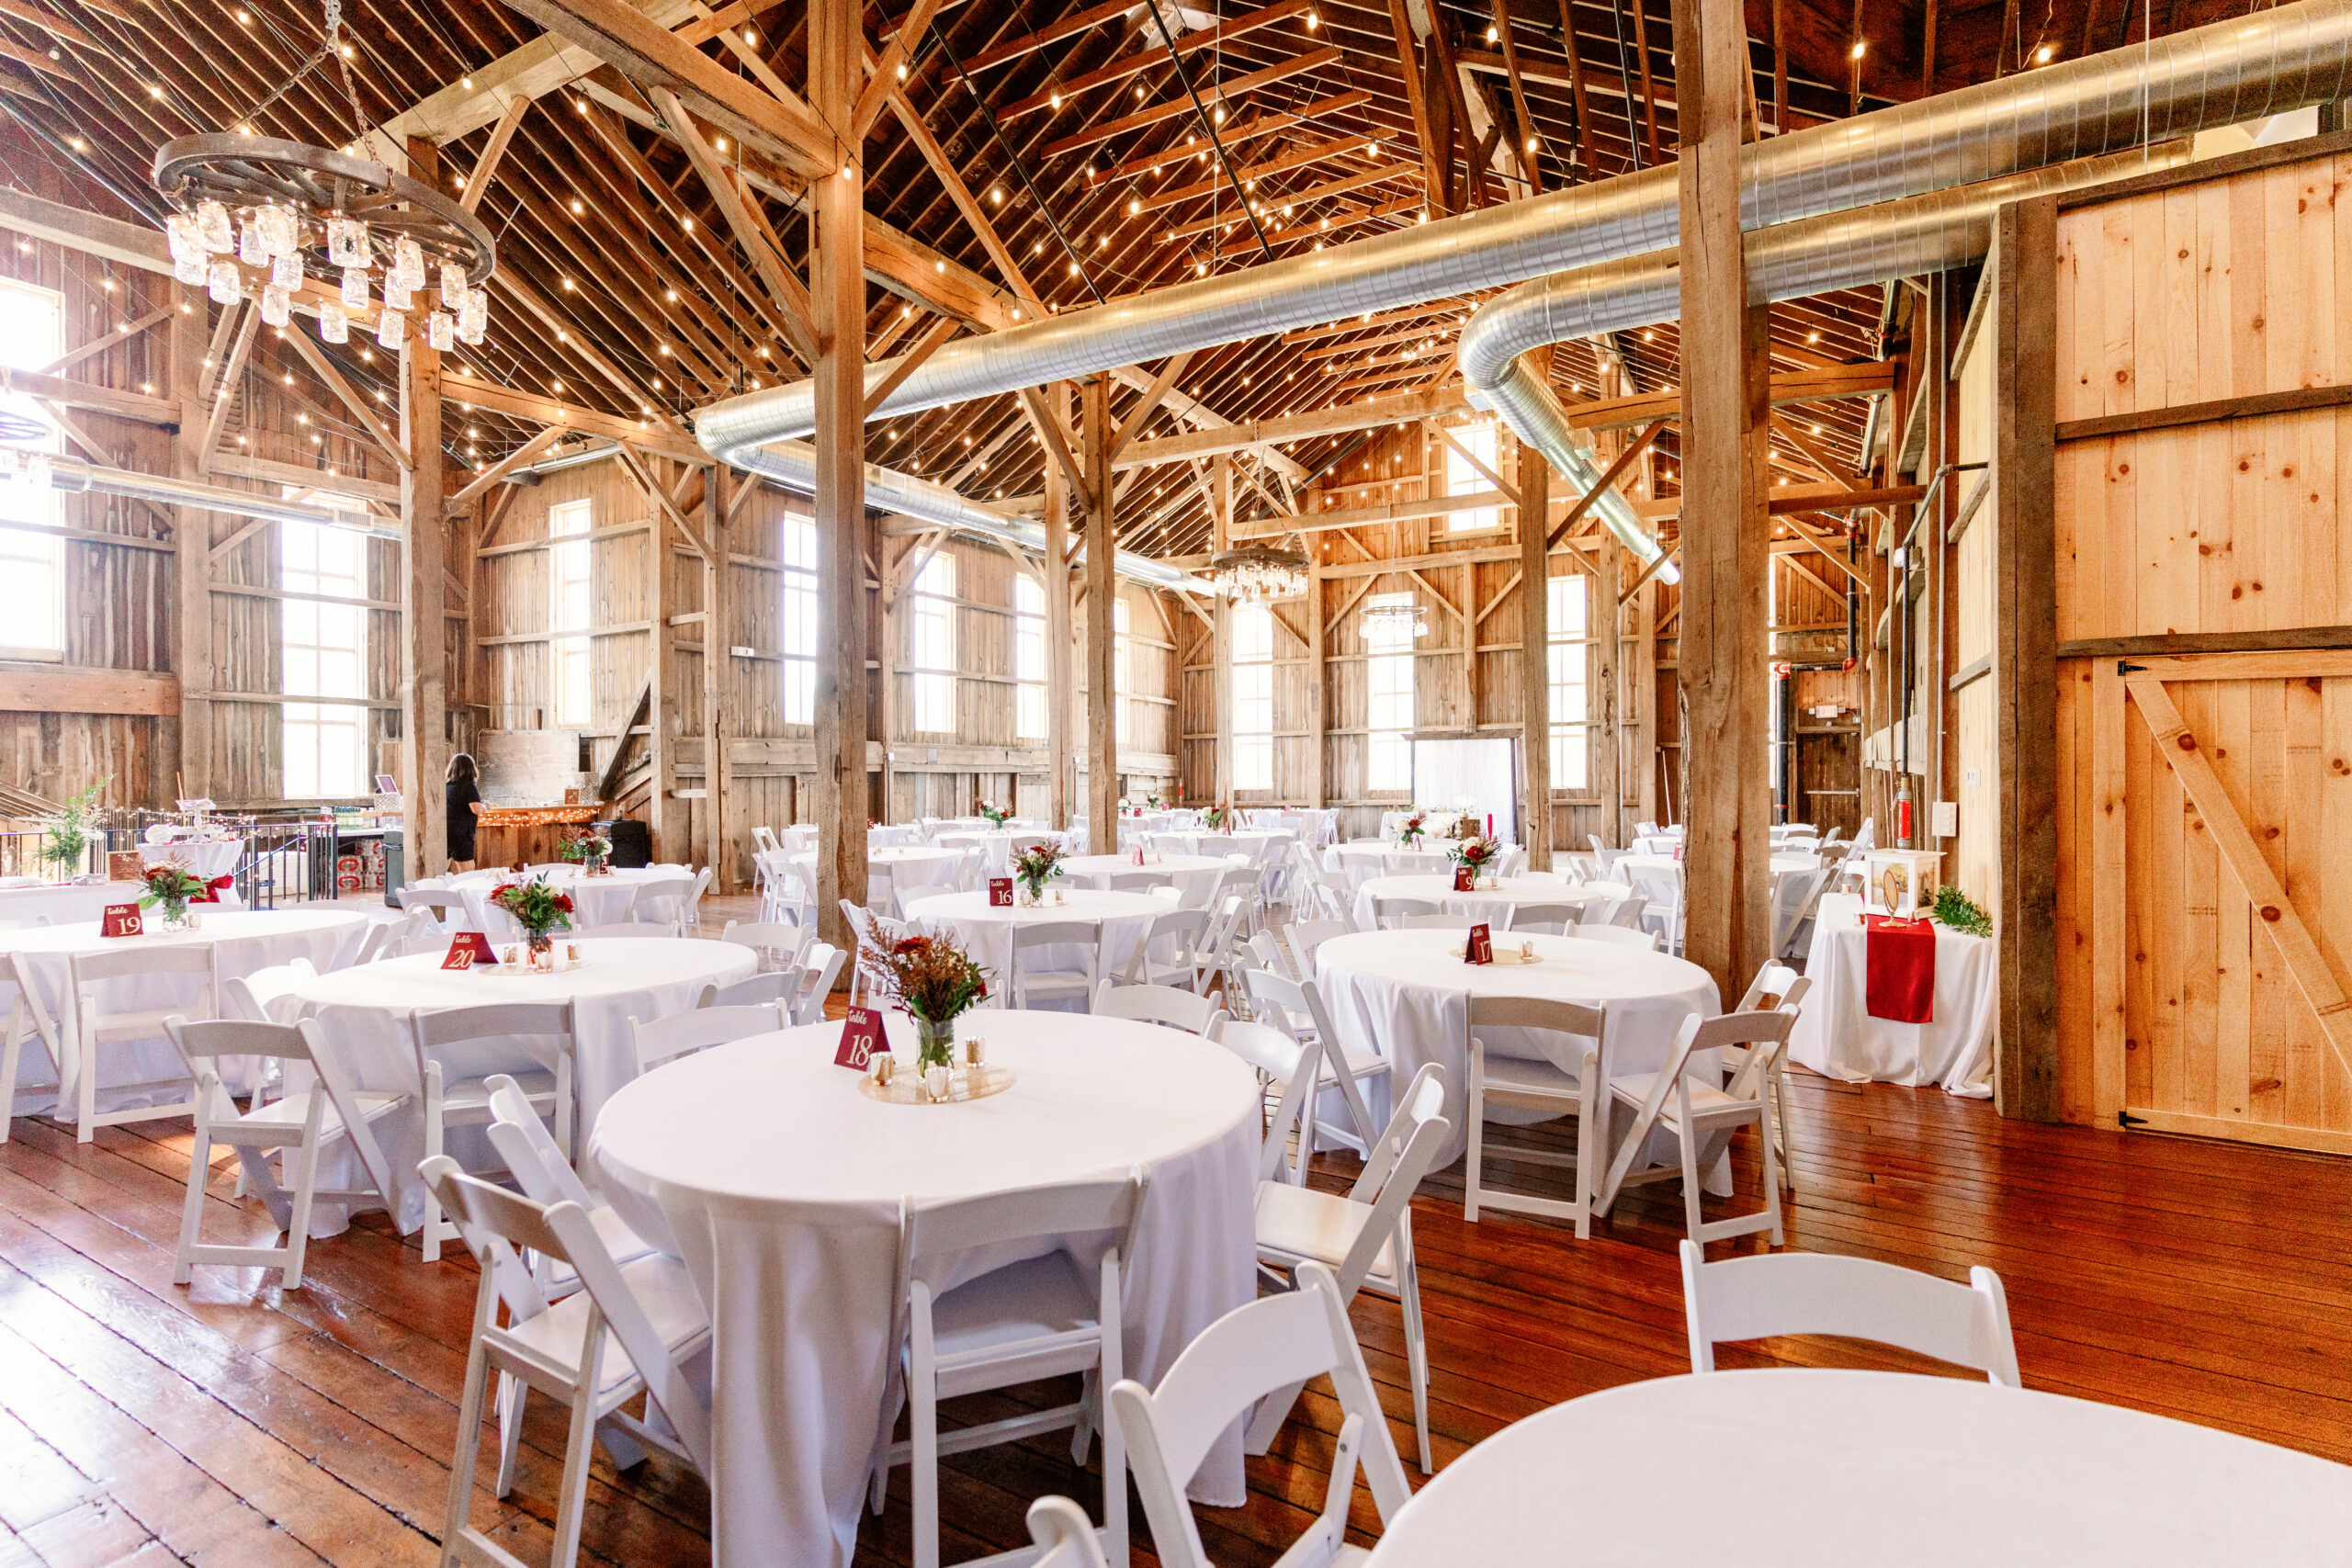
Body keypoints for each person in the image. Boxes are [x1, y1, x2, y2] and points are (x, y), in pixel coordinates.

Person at [447, 752, 482, 871]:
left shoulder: (448, 786)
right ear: (471, 768)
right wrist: (486, 806)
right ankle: (464, 890)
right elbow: (476, 809)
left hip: (447, 832)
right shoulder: (468, 786)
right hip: (462, 833)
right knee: (467, 870)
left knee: (459, 868)